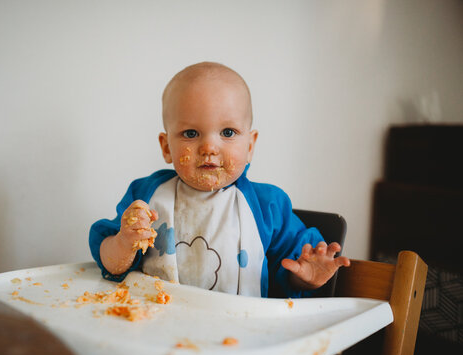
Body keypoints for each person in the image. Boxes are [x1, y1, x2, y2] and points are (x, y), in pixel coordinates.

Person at [89, 62, 350, 298]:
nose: (209, 147)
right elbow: (111, 265)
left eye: (228, 132)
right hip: (154, 328)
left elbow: (289, 273)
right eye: (191, 133)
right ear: (166, 147)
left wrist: (306, 277)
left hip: (237, 336)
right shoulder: (146, 196)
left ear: (250, 145)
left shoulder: (267, 206)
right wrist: (124, 243)